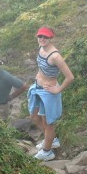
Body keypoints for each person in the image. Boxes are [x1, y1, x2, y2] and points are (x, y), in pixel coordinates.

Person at [28, 26, 74, 161]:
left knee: (48, 122)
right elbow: (42, 66)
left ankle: (47, 151)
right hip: (38, 88)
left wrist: (58, 89)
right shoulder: (41, 48)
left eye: (45, 37)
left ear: (50, 38)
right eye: (40, 36)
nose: (42, 39)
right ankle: (51, 139)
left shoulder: (55, 56)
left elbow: (70, 77)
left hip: (48, 92)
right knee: (34, 116)